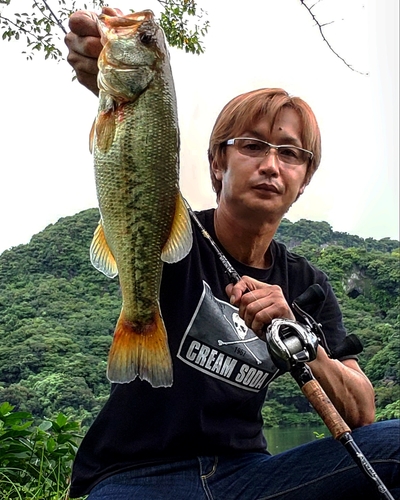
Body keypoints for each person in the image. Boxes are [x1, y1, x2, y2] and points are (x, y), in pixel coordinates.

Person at [65, 9, 400, 500]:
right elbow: (138, 163)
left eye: (290, 153)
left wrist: (300, 337)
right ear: (218, 164)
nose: (271, 165)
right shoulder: (175, 231)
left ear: (304, 181)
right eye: (252, 146)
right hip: (133, 475)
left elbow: (362, 413)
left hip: (246, 476)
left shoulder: (305, 283)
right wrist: (106, 79)